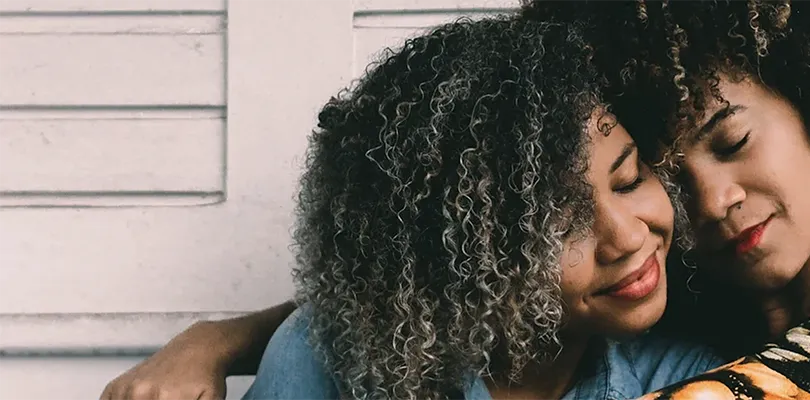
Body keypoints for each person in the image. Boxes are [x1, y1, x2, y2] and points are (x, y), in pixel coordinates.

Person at [103, 1, 810, 399]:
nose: (711, 201)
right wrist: (216, 337)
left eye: (735, 141)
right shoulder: (709, 294)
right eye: (662, 171)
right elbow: (437, 286)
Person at [106, 17, 727, 400]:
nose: (626, 237)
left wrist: (213, 338)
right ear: (462, 256)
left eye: (628, 180)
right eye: (559, 222)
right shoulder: (327, 362)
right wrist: (208, 342)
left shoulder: (696, 375)